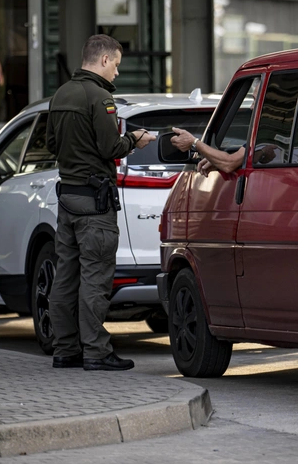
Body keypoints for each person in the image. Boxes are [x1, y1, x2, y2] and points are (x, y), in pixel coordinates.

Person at [46, 34, 156, 371]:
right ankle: (95, 351)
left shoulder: (61, 94)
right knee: (95, 277)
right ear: (104, 60)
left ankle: (65, 349)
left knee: (65, 275)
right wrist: (135, 140)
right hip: (95, 203)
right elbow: (112, 148)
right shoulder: (100, 99)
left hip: (68, 199)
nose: (117, 74)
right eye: (117, 66)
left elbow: (51, 143)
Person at [170, 130, 276, 176]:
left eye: (255, 101)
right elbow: (248, 155)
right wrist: (216, 161)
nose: (252, 107)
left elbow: (229, 163)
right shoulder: (268, 134)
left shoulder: (264, 134)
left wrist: (194, 143)